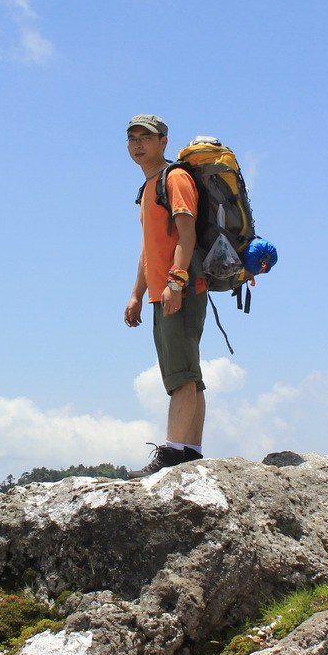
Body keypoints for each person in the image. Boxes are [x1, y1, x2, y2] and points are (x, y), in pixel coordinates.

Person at [123, 114, 207, 478]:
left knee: (180, 375)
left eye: (146, 137)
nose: (138, 143)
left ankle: (173, 455)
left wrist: (176, 282)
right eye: (132, 138)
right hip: (163, 292)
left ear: (163, 142)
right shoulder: (148, 188)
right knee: (188, 371)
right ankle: (190, 450)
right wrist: (137, 295)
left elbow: (186, 235)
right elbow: (149, 249)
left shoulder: (175, 178)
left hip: (181, 289)